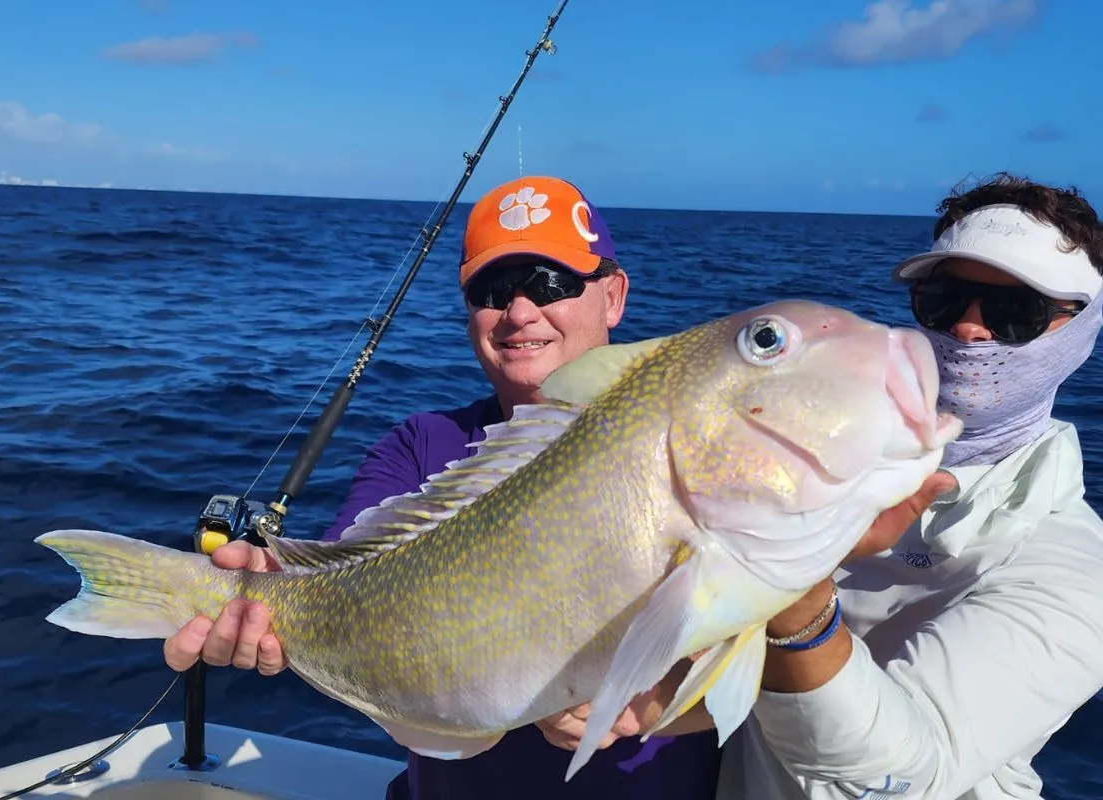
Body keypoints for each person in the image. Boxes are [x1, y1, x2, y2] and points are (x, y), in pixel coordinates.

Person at [162, 175, 724, 799]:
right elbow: (343, 587)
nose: (518, 312)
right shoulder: (419, 445)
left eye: (551, 283)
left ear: (613, 296)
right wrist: (260, 593)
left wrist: (648, 703)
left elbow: (789, 665)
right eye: (491, 290)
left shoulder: (692, 443)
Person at [702, 173, 1103, 799]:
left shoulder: (1079, 568)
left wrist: (799, 592)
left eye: (1015, 312)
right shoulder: (823, 458)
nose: (970, 329)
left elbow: (905, 776)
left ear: (1083, 329)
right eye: (945, 299)